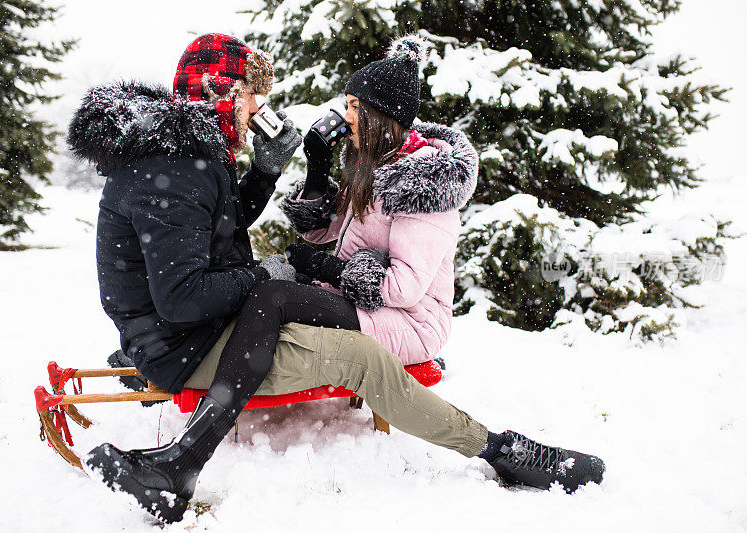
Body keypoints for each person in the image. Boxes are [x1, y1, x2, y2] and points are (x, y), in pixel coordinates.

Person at [71, 33, 605, 524]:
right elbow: (185, 296)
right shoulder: (181, 169)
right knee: (351, 350)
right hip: (187, 340)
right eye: (251, 95)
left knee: (280, 297)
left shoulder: (180, 157)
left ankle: (180, 461)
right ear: (223, 91)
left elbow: (215, 231)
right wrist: (265, 274)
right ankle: (498, 449)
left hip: (200, 331)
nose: (259, 109)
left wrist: (263, 177)